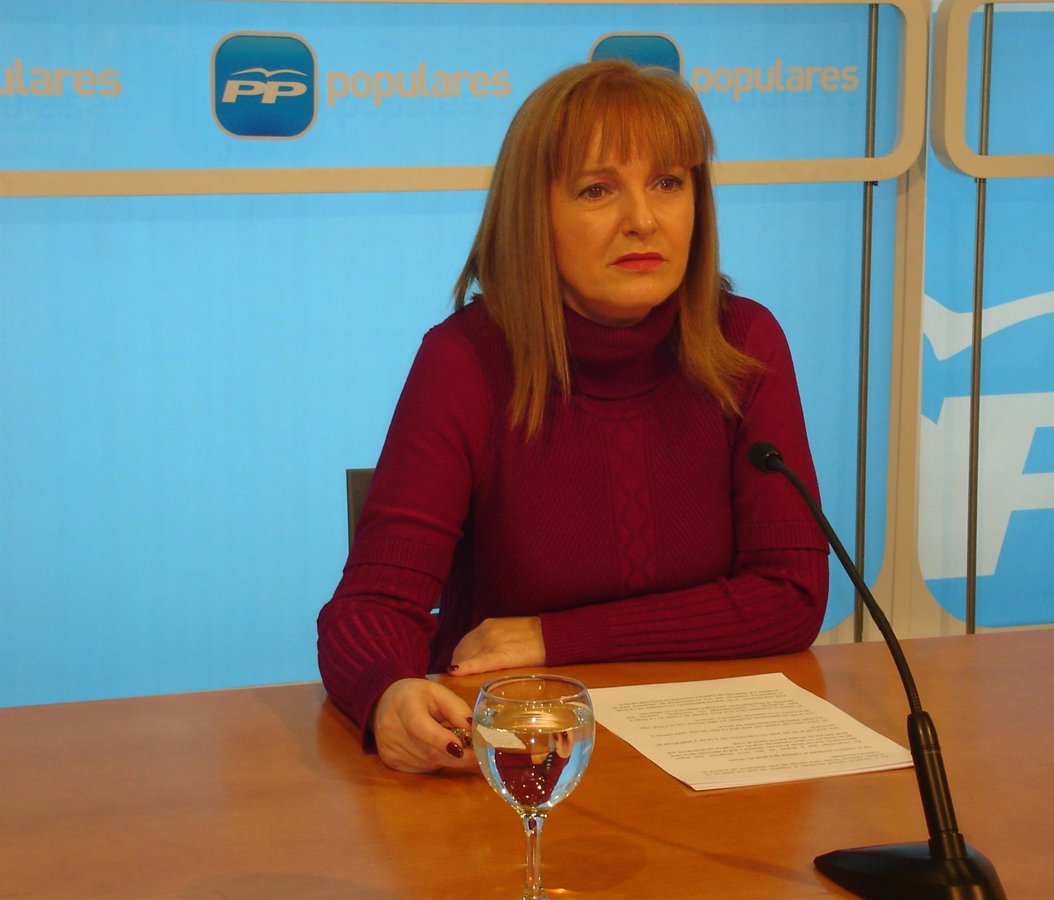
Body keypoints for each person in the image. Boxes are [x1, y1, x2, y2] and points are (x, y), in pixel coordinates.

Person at [317, 59, 829, 773]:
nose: (643, 219)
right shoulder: (466, 361)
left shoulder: (742, 340)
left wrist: (553, 637)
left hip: (712, 751)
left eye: (668, 183)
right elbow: (369, 609)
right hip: (524, 758)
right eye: (597, 190)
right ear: (534, 215)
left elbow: (791, 595)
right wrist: (389, 693)